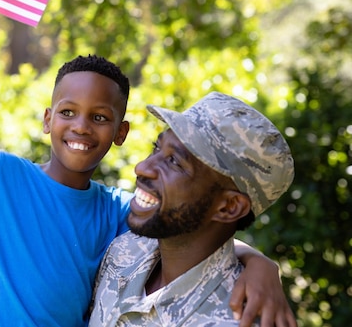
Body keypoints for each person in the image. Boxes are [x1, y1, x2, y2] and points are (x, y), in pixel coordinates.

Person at [0, 0, 294, 327]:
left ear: (120, 134)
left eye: (101, 118)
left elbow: (195, 232)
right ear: (47, 119)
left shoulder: (117, 215)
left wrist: (259, 265)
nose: (82, 127)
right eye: (67, 112)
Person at [88, 92, 296, 327]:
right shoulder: (126, 250)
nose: (142, 167)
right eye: (157, 148)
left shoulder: (237, 320)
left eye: (175, 162)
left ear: (229, 207)